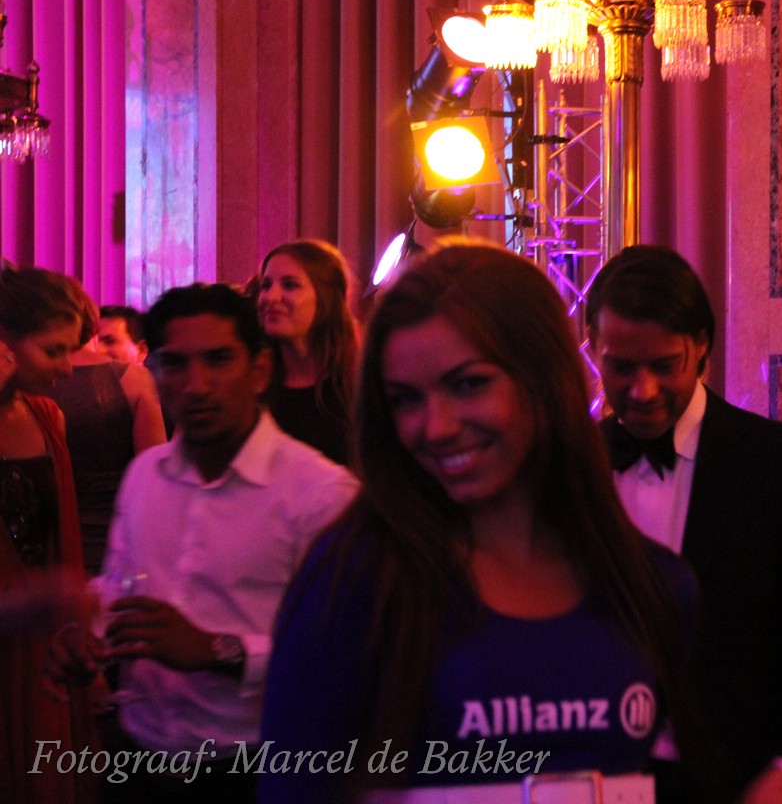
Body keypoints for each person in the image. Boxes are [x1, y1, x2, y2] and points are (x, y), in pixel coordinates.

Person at [259, 245, 701, 803]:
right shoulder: (354, 579)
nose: (436, 427)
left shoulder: (652, 587)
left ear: (543, 380)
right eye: (406, 399)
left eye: (468, 385)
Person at [586, 245, 782, 804]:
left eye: (664, 365)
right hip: (589, 779)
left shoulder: (779, 466)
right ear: (592, 348)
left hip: (734, 783)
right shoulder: (569, 466)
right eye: (621, 367)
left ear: (701, 347)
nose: (643, 390)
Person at [46, 283, 357, 804]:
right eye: (175, 364)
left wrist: (220, 651)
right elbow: (121, 585)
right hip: (137, 761)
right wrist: (89, 635)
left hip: (256, 769)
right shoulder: (146, 474)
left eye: (218, 360)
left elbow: (351, 652)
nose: (196, 385)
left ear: (259, 370)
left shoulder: (318, 493)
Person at [0, 263, 98, 804]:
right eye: (53, 351)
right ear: (6, 344)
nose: (67, 367)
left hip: (42, 635)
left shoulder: (47, 418)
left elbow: (61, 539)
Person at [48, 292, 167, 573]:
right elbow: (155, 474)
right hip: (119, 543)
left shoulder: (30, 380)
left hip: (50, 548)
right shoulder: (135, 380)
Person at [256, 239, 360, 465]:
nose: (270, 297)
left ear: (326, 297)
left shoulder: (359, 386)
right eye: (266, 285)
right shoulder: (252, 385)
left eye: (289, 285)